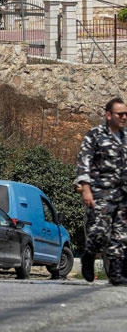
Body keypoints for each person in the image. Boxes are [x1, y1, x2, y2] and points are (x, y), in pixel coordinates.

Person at [75, 97, 127, 285]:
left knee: (120, 235)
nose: (124, 117)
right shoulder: (95, 135)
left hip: (122, 194)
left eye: (126, 114)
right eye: (120, 114)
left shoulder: (125, 137)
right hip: (100, 193)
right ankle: (89, 254)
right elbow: (84, 162)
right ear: (108, 115)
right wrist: (85, 189)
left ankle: (116, 273)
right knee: (101, 232)